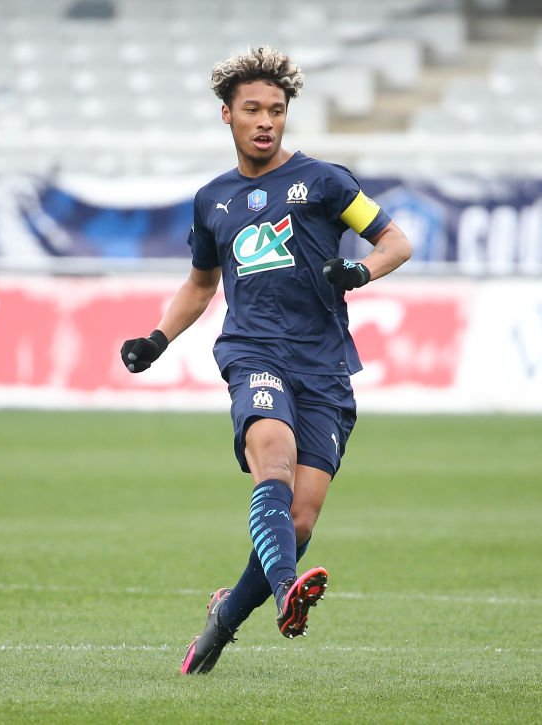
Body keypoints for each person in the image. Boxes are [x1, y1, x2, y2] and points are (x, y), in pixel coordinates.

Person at [120, 46, 412, 675]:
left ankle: (224, 617)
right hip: (253, 351)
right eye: (252, 109)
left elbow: (395, 241)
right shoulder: (212, 200)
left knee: (299, 522)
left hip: (324, 366)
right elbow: (202, 283)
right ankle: (286, 594)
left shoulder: (325, 182)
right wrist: (156, 339)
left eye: (276, 110)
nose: (265, 121)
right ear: (226, 114)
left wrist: (361, 270)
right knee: (272, 459)